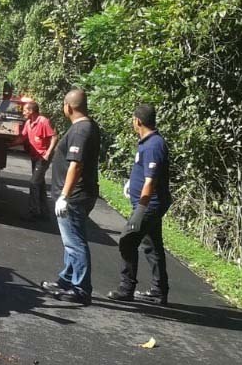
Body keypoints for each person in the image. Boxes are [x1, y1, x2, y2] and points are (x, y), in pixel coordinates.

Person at [107, 104, 172, 305]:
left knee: (127, 240)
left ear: (138, 121)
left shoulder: (153, 145)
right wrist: (131, 183)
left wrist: (140, 211)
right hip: (147, 203)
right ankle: (158, 291)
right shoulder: (146, 142)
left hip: (149, 205)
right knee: (152, 246)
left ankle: (127, 287)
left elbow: (150, 181)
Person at [42, 89, 101, 305]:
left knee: (74, 242)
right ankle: (65, 280)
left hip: (75, 196)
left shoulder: (80, 130)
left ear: (68, 106)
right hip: (79, 194)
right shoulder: (88, 126)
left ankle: (81, 288)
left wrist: (64, 196)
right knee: (71, 241)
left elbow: (76, 165)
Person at [20, 99, 58, 219]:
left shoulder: (43, 121)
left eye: (25, 110)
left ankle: (33, 212)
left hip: (43, 157)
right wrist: (7, 144)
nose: (23, 113)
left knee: (34, 183)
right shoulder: (28, 123)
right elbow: (23, 138)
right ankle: (45, 212)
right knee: (40, 183)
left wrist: (48, 153)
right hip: (35, 156)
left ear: (31, 111)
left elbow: (54, 137)